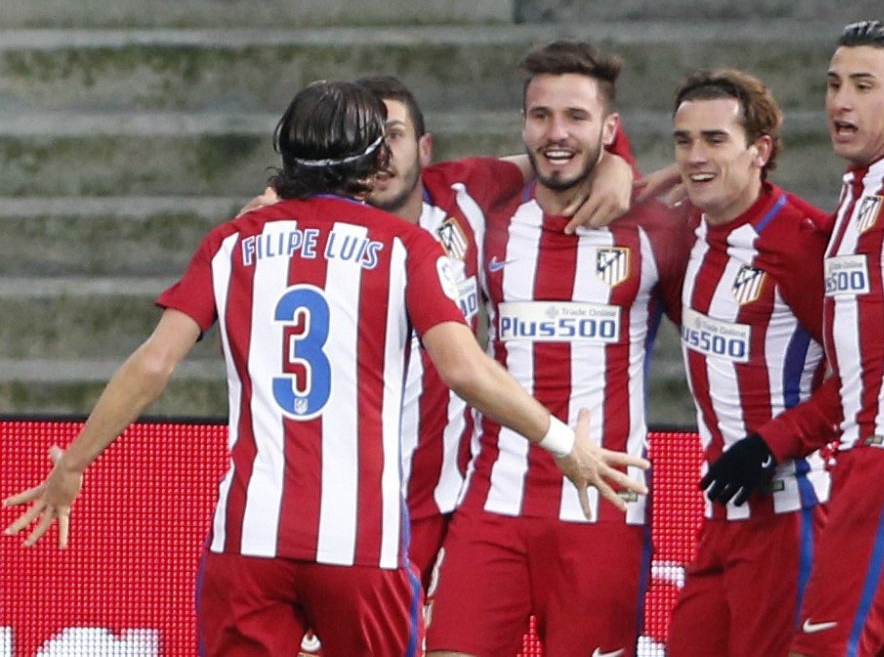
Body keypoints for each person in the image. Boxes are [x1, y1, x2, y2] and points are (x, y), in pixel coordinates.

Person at [3, 80, 649, 657]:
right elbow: (466, 371)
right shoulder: (406, 249)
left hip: (250, 538)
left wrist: (73, 464)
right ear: (374, 163)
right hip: (360, 546)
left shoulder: (233, 242)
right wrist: (563, 444)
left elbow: (153, 363)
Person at [242, 75, 637, 596]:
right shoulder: (293, 232)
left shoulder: (464, 194)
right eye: (364, 140)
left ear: (424, 148)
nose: (379, 154)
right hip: (337, 507)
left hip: (445, 503)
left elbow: (556, 158)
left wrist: (617, 162)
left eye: (395, 135)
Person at [697, 21, 884, 657]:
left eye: (864, 86)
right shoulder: (865, 188)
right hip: (879, 456)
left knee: (824, 647)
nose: (840, 102)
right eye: (834, 85)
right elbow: (861, 366)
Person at [424, 40, 690, 657]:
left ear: (610, 129)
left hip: (603, 514)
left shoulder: (657, 230)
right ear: (523, 125)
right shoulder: (486, 219)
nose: (556, 132)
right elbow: (396, 184)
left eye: (576, 117)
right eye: (541, 116)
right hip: (494, 505)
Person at [665, 68, 832, 656]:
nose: (694, 155)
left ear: (760, 150)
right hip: (723, 511)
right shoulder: (690, 228)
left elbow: (865, 376)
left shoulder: (802, 243)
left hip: (793, 511)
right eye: (683, 141)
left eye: (715, 139)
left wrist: (773, 442)